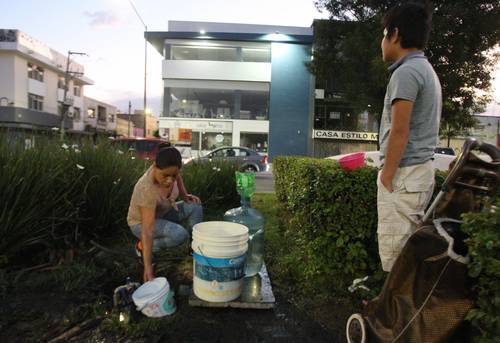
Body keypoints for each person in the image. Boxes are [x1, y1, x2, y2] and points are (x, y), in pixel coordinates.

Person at [377, 2, 441, 272]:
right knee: (407, 253)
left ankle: (395, 314)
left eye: (383, 34)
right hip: (417, 173)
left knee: (396, 258)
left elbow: (400, 131)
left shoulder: (406, 73)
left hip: (403, 175)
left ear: (395, 34)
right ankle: (399, 311)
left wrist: (387, 176)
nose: (381, 42)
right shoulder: (425, 69)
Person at [127, 146, 202, 282]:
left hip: (163, 213)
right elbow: (147, 230)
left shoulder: (172, 173)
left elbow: (177, 178)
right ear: (155, 166)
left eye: (173, 175)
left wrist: (185, 195)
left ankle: (194, 248)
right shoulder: (146, 189)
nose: (170, 180)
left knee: (195, 206)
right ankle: (143, 246)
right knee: (180, 234)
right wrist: (148, 267)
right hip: (141, 224)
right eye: (165, 176)